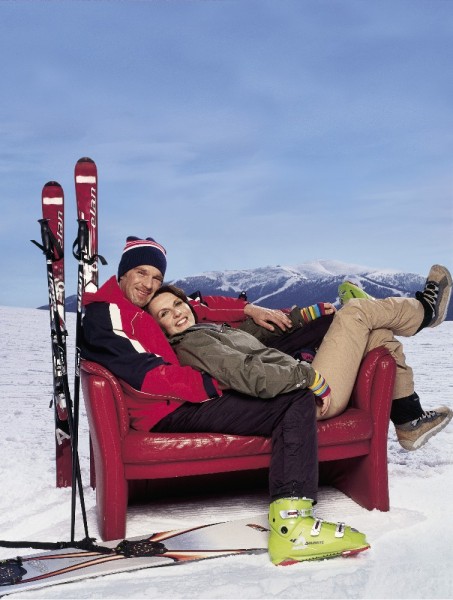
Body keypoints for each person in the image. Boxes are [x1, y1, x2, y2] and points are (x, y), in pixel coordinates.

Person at [81, 236, 370, 565]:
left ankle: (337, 340)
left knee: (289, 368)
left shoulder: (136, 307)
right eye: (141, 273)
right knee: (293, 400)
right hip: (169, 408)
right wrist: (216, 379)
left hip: (184, 396)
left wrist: (248, 310)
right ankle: (293, 527)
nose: (149, 284)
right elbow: (147, 375)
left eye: (157, 277)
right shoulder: (107, 313)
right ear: (124, 273)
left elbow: (199, 307)